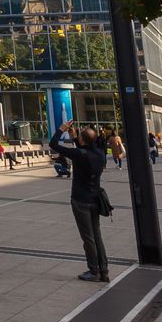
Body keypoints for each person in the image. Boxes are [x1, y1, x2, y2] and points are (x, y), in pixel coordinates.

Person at [50, 120, 111, 283]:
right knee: (97, 235)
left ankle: (93, 270)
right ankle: (104, 270)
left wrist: (61, 129)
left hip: (80, 200)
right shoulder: (99, 153)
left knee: (88, 237)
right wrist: (76, 138)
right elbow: (85, 151)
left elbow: (53, 144)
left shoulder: (79, 154)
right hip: (95, 199)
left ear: (83, 140)